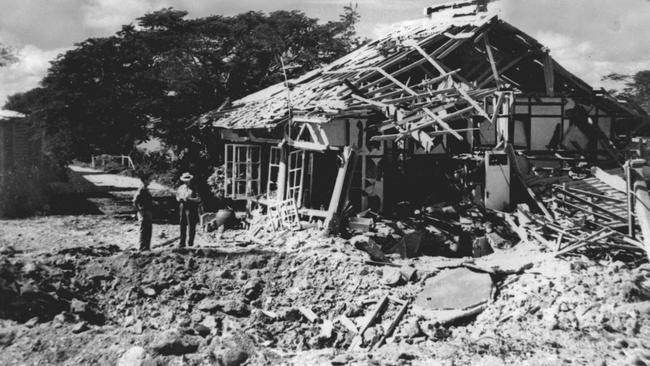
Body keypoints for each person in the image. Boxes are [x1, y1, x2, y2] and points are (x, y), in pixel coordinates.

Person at [177, 172, 201, 247]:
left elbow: (198, 199)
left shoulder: (194, 188)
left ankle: (190, 243)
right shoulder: (180, 188)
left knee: (191, 225)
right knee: (182, 224)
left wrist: (189, 199)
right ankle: (182, 242)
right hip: (182, 206)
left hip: (191, 207)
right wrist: (180, 199)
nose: (186, 181)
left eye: (187, 180)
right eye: (185, 180)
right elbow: (177, 196)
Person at [133, 175, 153, 251]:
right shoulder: (141, 189)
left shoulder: (146, 189)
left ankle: (147, 247)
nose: (150, 181)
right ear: (144, 180)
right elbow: (135, 201)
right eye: (149, 179)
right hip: (143, 212)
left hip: (148, 211)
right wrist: (139, 210)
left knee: (148, 229)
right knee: (143, 230)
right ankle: (142, 247)